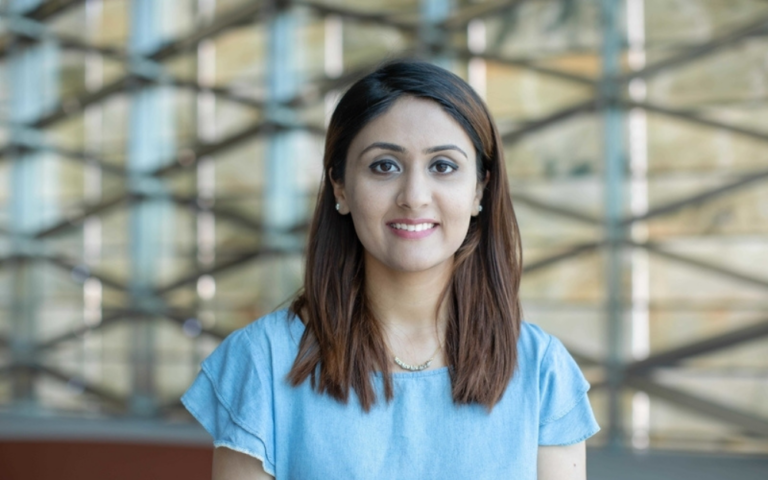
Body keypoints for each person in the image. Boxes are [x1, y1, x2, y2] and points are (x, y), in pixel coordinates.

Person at [181, 59, 599, 480]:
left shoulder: (542, 371)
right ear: (340, 186)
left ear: (479, 190)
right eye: (384, 165)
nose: (414, 196)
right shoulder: (262, 362)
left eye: (443, 166)